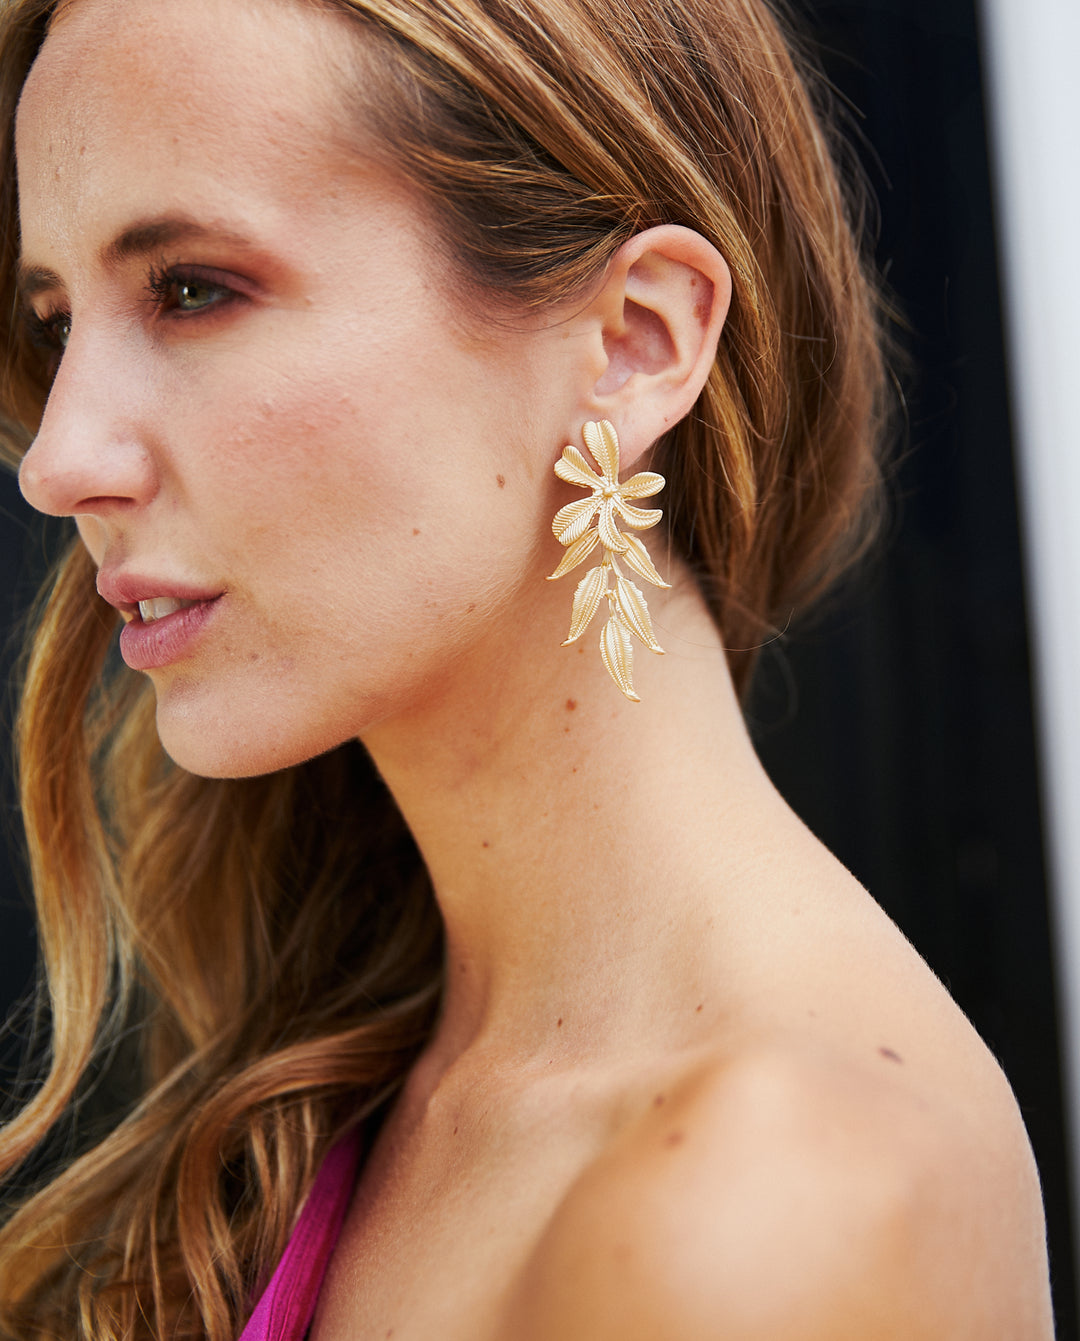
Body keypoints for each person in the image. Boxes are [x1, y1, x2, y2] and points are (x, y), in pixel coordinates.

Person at [0, 0, 1054, 1336]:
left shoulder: (773, 1194)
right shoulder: (388, 1064)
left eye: (192, 289)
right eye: (57, 324)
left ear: (634, 342)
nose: (59, 460)